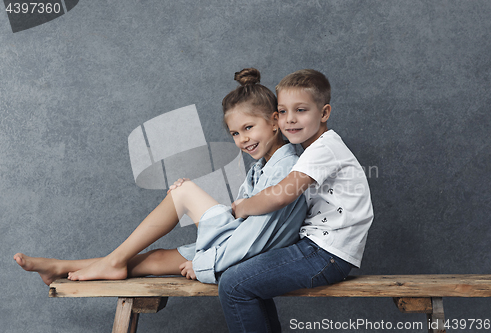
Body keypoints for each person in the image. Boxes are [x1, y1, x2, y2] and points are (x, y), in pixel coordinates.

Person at [13, 68, 307, 286]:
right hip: (235, 244)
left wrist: (204, 263)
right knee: (153, 259)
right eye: (234, 133)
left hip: (245, 254)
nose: (242, 139)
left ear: (273, 122)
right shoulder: (262, 168)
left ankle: (111, 262)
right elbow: (246, 222)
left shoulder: (287, 168)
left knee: (182, 192)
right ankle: (59, 267)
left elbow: (256, 238)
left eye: (248, 127)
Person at [218, 69, 374, 332]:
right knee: (246, 279)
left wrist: (242, 207)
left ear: (324, 113)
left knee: (233, 285)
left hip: (326, 253)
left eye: (300, 110)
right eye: (283, 111)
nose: (289, 120)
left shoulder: (324, 148)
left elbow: (281, 195)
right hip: (320, 248)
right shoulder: (313, 150)